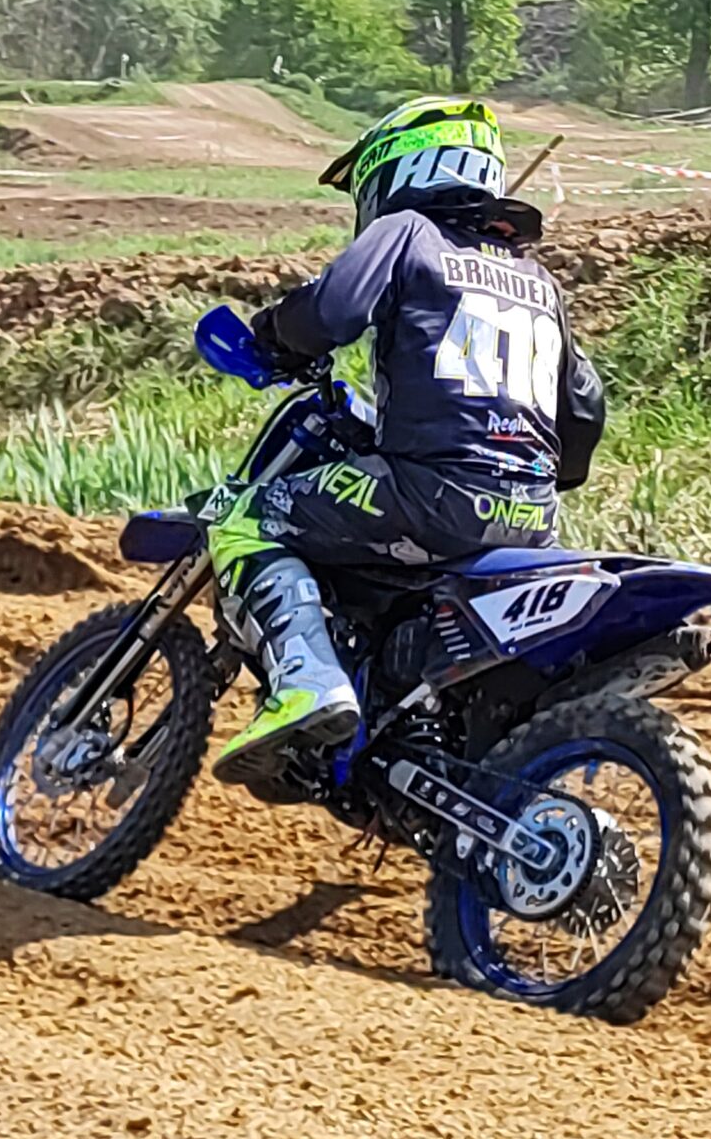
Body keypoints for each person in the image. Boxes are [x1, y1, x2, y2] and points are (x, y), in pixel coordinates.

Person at [205, 97, 604, 787]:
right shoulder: (538, 281)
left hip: (427, 494)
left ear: (405, 170)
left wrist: (273, 336)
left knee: (243, 517)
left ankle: (306, 682)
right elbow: (585, 407)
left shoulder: (407, 231)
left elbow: (331, 310)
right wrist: (533, 474)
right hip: (533, 518)